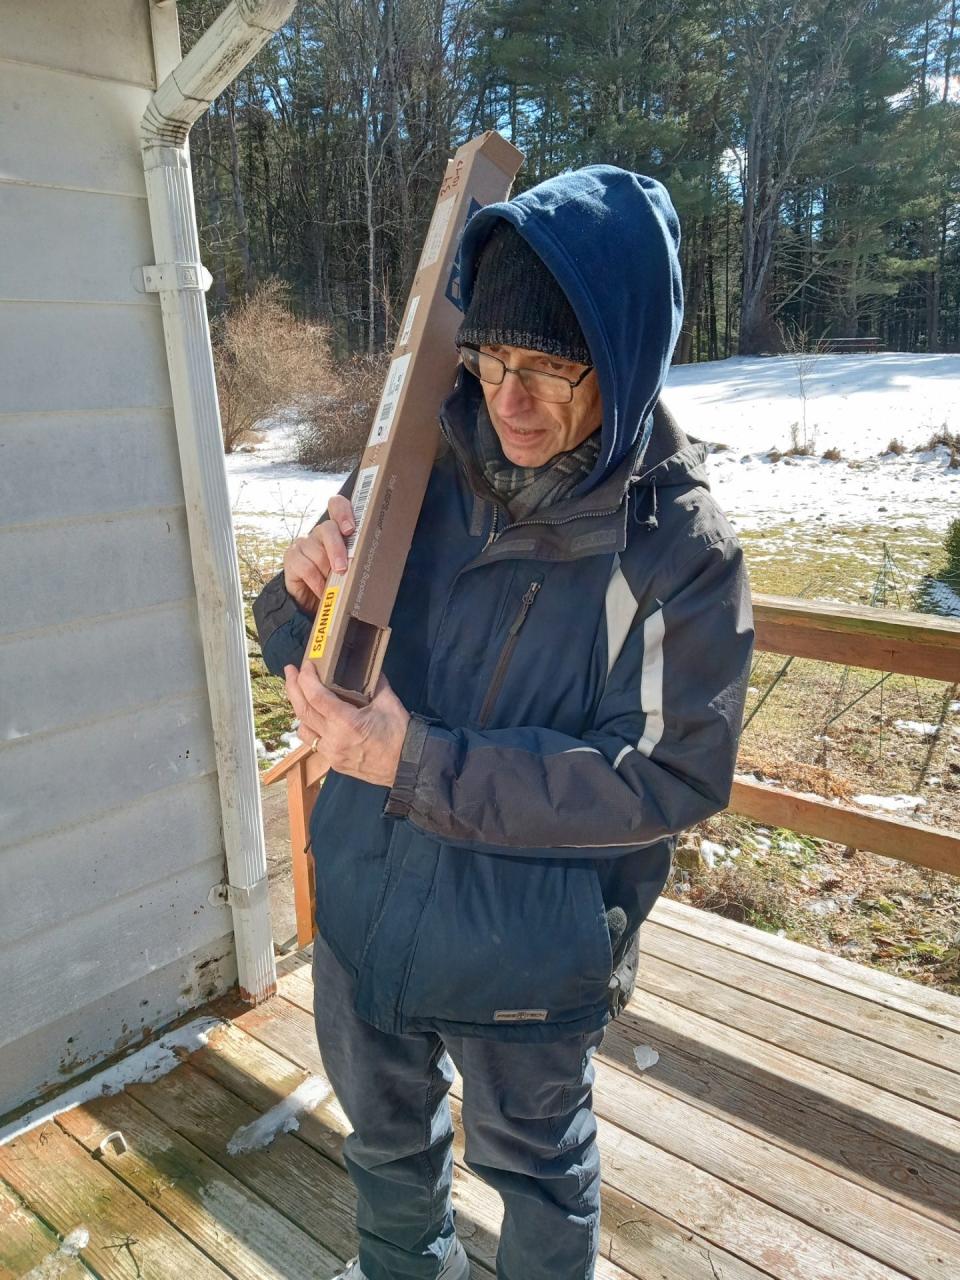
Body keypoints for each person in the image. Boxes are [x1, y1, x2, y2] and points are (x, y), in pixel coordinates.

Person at [253, 165, 755, 1280]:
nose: (508, 398)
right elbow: (327, 670)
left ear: (622, 362)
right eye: (491, 357)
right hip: (369, 910)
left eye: (548, 368)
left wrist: (413, 757)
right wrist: (296, 599)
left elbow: (671, 777)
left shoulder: (680, 550)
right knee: (384, 1150)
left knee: (537, 1178)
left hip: (526, 948)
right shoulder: (417, 462)